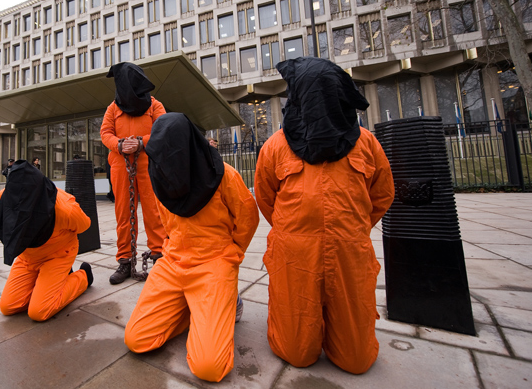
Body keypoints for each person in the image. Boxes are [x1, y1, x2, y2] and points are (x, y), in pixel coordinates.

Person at [254, 57, 395, 374]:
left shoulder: (366, 143)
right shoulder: (276, 146)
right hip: (294, 257)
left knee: (357, 360)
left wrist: (353, 230)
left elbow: (382, 193)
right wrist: (293, 232)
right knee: (296, 353)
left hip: (349, 255)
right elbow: (265, 196)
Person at [125, 113, 259, 382]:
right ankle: (197, 308)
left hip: (214, 263)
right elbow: (165, 223)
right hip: (174, 261)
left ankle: (230, 303)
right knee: (137, 339)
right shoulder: (160, 176)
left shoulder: (223, 175)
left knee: (209, 367)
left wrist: (230, 254)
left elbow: (248, 217)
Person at [0, 160, 93, 322]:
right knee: (8, 306)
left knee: (39, 311)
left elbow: (85, 225)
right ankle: (47, 284)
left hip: (57, 255)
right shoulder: (6, 197)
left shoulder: (64, 208)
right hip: (27, 257)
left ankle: (83, 277)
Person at [101, 62, 167, 285]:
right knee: (124, 214)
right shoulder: (113, 108)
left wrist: (141, 142)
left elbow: (163, 129)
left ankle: (159, 256)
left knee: (154, 211)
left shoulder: (155, 105)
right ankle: (125, 260)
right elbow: (105, 133)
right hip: (121, 166)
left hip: (149, 164)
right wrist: (119, 145)